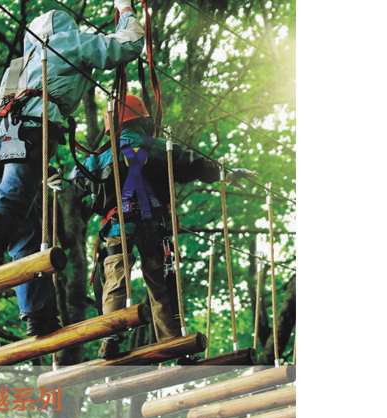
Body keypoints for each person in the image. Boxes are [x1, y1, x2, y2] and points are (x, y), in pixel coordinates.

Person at [0, 2, 145, 338]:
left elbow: (15, 116)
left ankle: (38, 314)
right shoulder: (67, 42)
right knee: (15, 199)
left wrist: (42, 167)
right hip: (28, 129)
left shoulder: (19, 64)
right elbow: (126, 45)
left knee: (26, 230)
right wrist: (126, 10)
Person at [68, 95, 257, 358]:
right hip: (155, 226)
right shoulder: (163, 148)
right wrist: (228, 173)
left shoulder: (99, 158)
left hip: (118, 226)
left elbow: (74, 181)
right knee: (162, 286)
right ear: (144, 120)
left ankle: (110, 336)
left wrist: (55, 179)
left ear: (112, 126)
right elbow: (198, 166)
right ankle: (172, 341)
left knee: (115, 277)